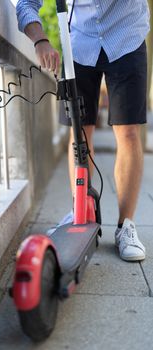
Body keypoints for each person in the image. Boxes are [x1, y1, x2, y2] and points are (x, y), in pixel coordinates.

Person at [16, 0, 150, 261]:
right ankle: (80, 212)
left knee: (129, 132)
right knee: (79, 132)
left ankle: (126, 226)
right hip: (78, 43)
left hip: (126, 36)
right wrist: (40, 39)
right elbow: (25, 4)